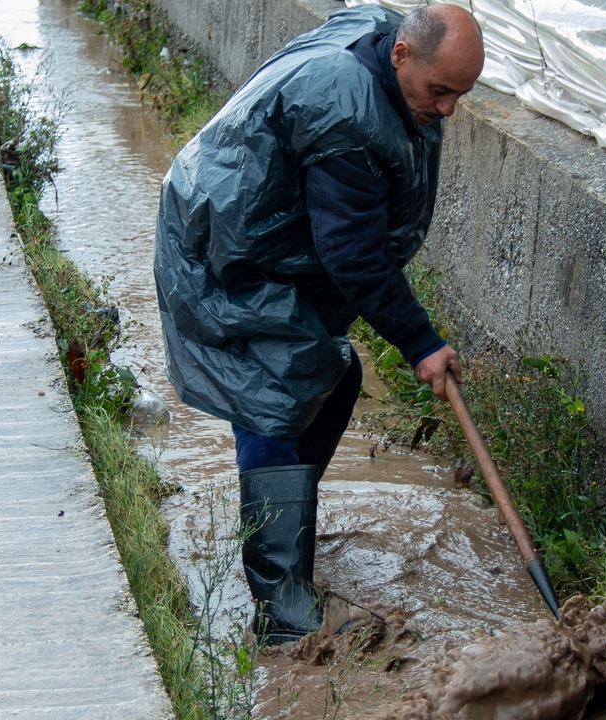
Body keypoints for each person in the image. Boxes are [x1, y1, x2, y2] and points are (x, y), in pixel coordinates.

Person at [154, 2, 485, 644]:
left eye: (459, 96)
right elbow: (353, 254)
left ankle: (279, 528)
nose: (448, 110)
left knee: (334, 378)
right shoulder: (345, 112)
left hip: (263, 238)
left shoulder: (388, 50)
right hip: (224, 247)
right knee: (276, 389)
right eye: (440, 92)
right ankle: (282, 617)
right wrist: (421, 341)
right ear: (400, 55)